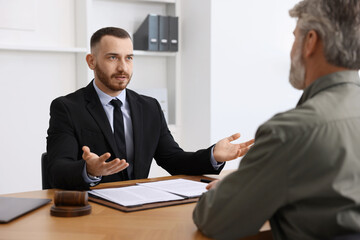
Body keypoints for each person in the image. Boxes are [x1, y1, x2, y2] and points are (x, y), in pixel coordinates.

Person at [193, 0, 360, 239]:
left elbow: (215, 220)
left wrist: (225, 191)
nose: (292, 50)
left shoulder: (290, 131)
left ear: (310, 41)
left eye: (295, 37)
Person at [46, 27, 254, 190]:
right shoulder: (66, 107)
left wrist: (213, 156)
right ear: (91, 61)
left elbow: (174, 161)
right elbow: (57, 170)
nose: (123, 67)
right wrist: (89, 170)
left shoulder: (149, 107)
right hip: (91, 211)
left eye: (128, 58)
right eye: (112, 57)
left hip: (137, 207)